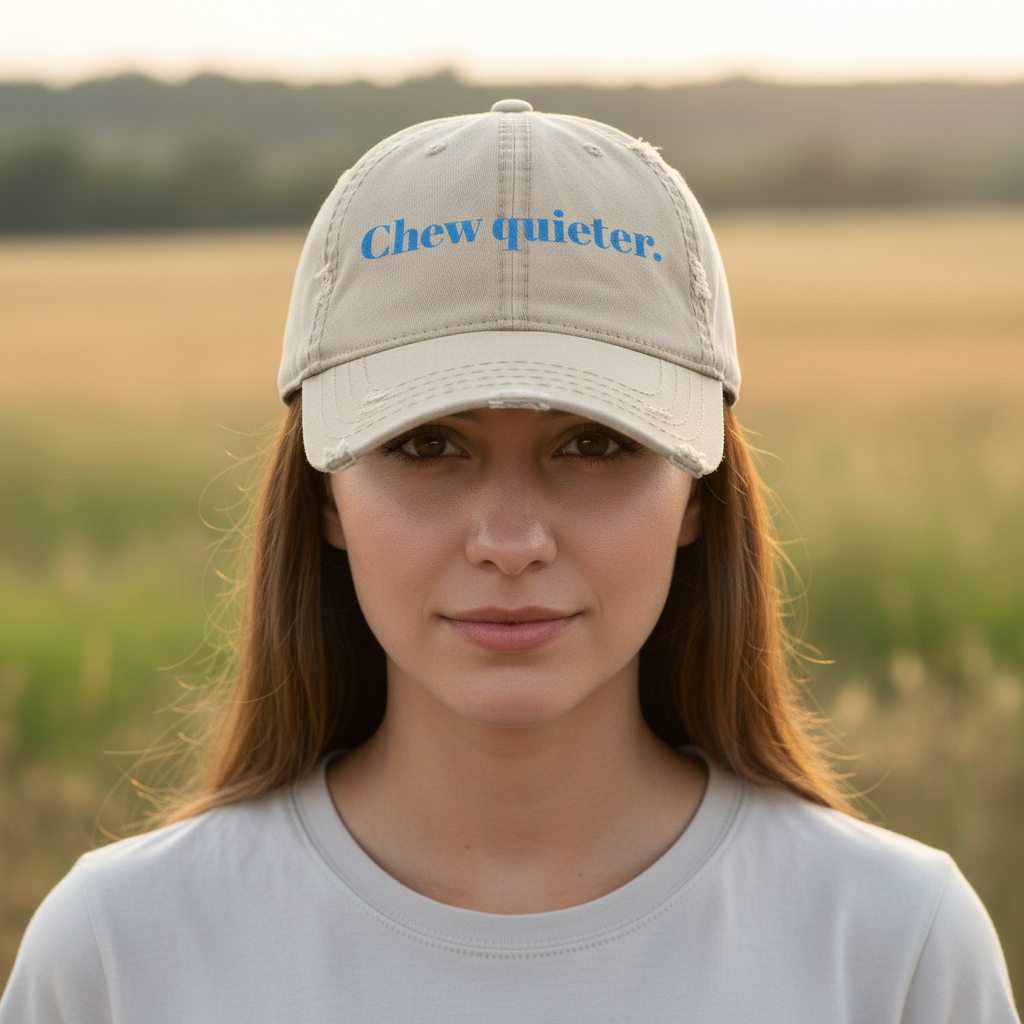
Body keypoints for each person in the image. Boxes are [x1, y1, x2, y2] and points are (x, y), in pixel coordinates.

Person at [1, 98, 1017, 1023]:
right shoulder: (118, 957)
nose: (511, 541)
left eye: (594, 444)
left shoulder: (892, 950)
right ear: (324, 496)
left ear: (698, 495)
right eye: (427, 445)